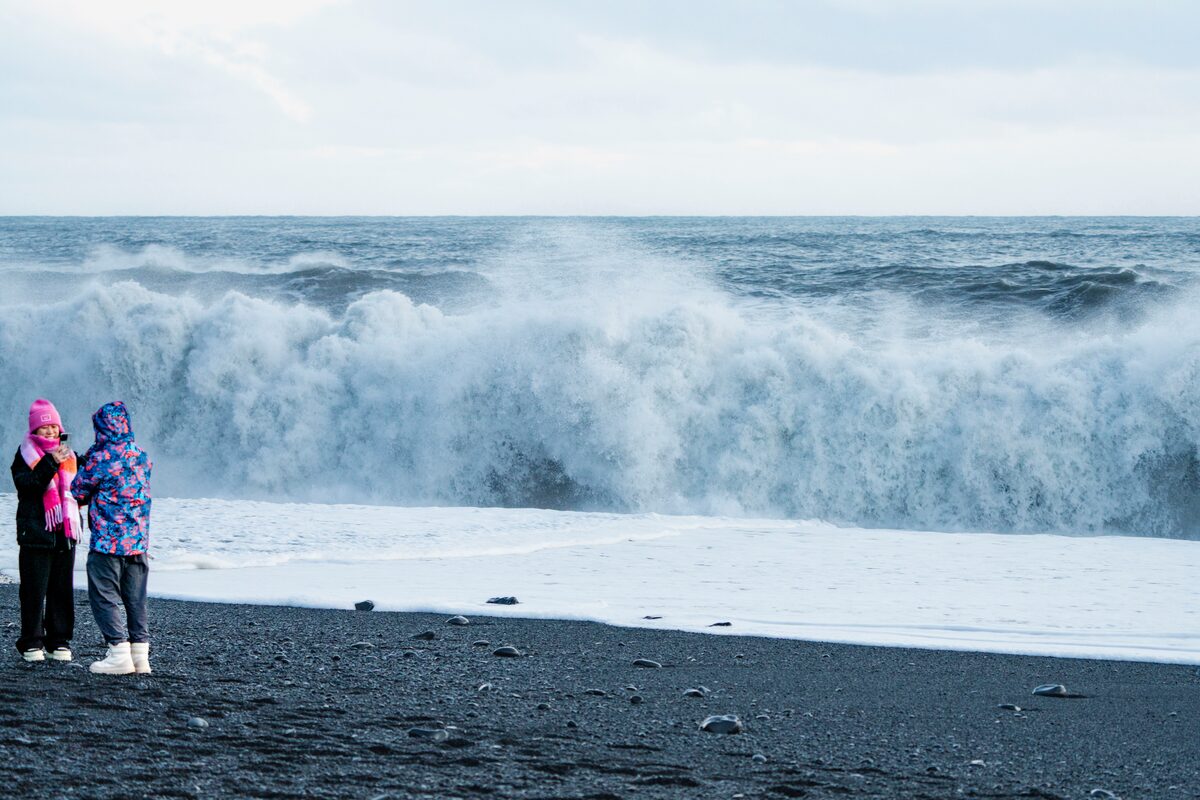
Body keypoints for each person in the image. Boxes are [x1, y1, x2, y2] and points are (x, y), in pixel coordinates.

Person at [71, 401, 153, 675]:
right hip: (139, 543)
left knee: (104, 596)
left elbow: (78, 490)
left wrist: (82, 460)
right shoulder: (141, 456)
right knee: (135, 599)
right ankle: (140, 656)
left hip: (108, 543)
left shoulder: (101, 458)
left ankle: (118, 653)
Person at [11, 398, 80, 662]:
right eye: (44, 427)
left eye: (53, 426)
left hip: (65, 533)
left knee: (62, 590)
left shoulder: (71, 457)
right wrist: (50, 462)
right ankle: (32, 643)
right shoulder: (25, 455)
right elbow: (27, 486)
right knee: (33, 591)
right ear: (34, 431)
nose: (50, 431)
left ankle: (58, 642)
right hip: (36, 534)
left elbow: (80, 491)